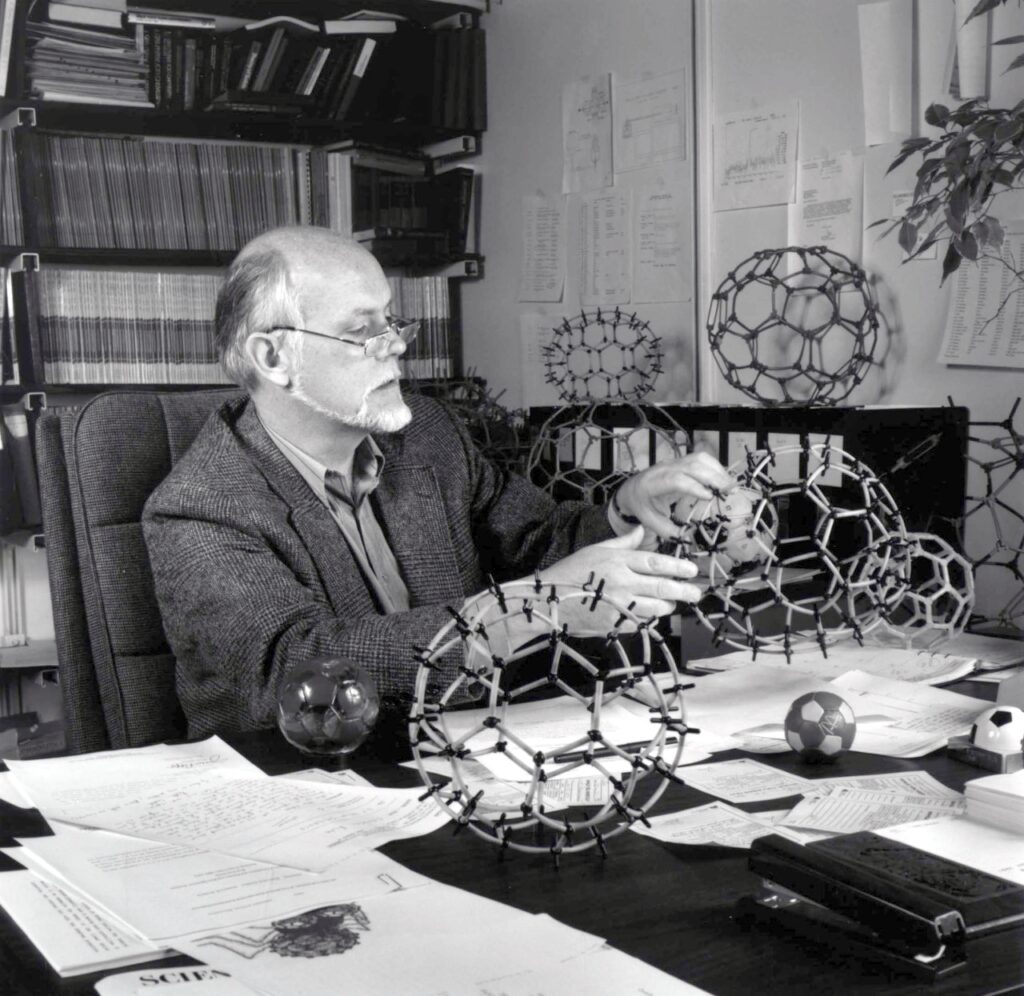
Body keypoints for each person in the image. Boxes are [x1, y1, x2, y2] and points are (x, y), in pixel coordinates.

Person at [142, 226, 735, 740]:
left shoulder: (427, 434)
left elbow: (537, 539)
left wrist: (626, 509)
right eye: (363, 330)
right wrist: (533, 608)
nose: (397, 345)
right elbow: (302, 672)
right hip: (312, 787)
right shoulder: (201, 510)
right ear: (274, 357)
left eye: (392, 320)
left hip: (475, 754)